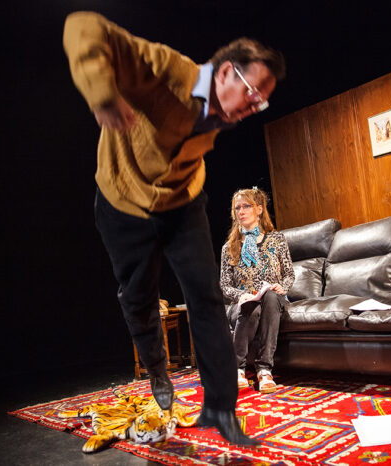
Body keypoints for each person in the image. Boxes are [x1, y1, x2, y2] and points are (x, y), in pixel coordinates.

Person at [62, 11, 285, 446]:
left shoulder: (222, 111)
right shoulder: (165, 71)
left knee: (205, 296)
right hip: (124, 199)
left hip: (182, 198)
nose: (252, 107)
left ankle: (220, 407)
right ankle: (157, 372)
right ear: (225, 72)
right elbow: (83, 26)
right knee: (139, 297)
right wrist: (102, 94)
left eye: (261, 102)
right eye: (251, 92)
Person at [220, 188, 295, 394]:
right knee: (251, 306)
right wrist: (240, 295)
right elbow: (225, 285)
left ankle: (264, 370)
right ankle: (238, 369)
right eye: (237, 208)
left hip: (273, 299)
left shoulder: (277, 239)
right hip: (243, 303)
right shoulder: (229, 248)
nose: (241, 211)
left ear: (259, 209)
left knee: (270, 295)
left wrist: (283, 286)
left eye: (246, 206)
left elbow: (289, 274)